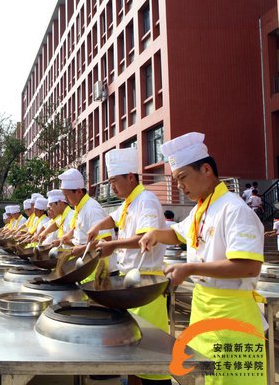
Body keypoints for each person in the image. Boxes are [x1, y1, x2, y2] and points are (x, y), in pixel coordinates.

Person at [140, 132, 266, 385]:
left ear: (206, 169)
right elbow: (178, 234)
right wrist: (155, 233)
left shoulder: (234, 209)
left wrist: (190, 268)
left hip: (232, 316)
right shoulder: (202, 208)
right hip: (203, 312)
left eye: (183, 177)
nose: (180, 186)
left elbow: (250, 266)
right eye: (175, 181)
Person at [86, 147, 170, 385]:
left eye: (115, 181)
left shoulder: (146, 201)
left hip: (147, 282)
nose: (112, 187)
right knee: (134, 349)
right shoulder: (129, 202)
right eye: (110, 181)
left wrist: (113, 245)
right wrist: (97, 228)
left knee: (152, 353)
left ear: (131, 177)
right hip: (131, 281)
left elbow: (144, 238)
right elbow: (113, 217)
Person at [55, 168, 113, 282]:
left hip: (97, 268)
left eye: (67, 196)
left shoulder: (92, 209)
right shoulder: (79, 208)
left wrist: (81, 249)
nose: (66, 200)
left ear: (79, 192)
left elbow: (106, 240)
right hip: (86, 266)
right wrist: (69, 235)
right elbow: (80, 228)